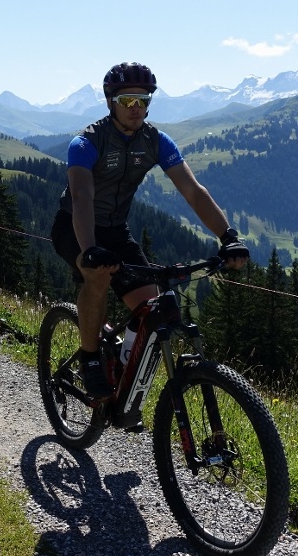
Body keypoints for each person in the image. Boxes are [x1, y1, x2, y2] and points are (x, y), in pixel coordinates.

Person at [50, 61, 249, 400]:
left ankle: (120, 360)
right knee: (95, 276)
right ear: (111, 101)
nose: (137, 108)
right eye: (128, 100)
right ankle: (89, 358)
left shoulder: (156, 141)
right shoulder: (86, 142)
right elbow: (82, 196)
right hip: (74, 227)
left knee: (152, 307)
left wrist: (228, 237)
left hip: (116, 229)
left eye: (144, 100)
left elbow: (193, 191)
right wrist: (88, 249)